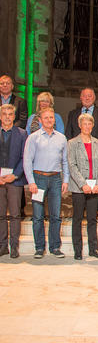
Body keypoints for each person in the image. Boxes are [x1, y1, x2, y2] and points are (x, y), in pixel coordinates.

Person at [23, 108, 69, 259]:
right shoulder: (33, 138)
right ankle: (39, 247)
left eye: (51, 118)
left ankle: (55, 247)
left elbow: (65, 161)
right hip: (39, 179)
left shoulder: (61, 138)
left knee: (55, 215)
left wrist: (66, 180)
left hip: (55, 179)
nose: (49, 120)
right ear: (40, 120)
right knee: (38, 216)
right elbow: (27, 161)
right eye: (46, 118)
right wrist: (31, 182)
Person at [65, 87, 98, 219]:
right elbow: (69, 133)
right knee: (78, 204)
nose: (87, 98)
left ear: (94, 98)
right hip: (77, 156)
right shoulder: (73, 114)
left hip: (95, 157)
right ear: (80, 98)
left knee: (93, 199)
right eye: (84, 96)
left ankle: (95, 211)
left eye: (90, 96)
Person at [67, 113, 98, 260]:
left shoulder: (97, 142)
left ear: (93, 125)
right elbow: (72, 165)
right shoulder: (72, 143)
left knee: (92, 219)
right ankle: (78, 250)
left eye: (90, 124)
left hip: (94, 187)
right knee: (77, 219)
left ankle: (93, 249)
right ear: (79, 125)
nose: (87, 126)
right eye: (84, 124)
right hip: (79, 188)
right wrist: (83, 184)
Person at [0, 104, 27, 258]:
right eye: (4, 113)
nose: (7, 116)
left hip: (15, 180)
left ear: (14, 116)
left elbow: (25, 157)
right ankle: (2, 246)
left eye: (10, 113)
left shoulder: (22, 134)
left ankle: (14, 246)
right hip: (0, 181)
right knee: (1, 215)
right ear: (0, 116)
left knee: (15, 214)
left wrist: (15, 175)